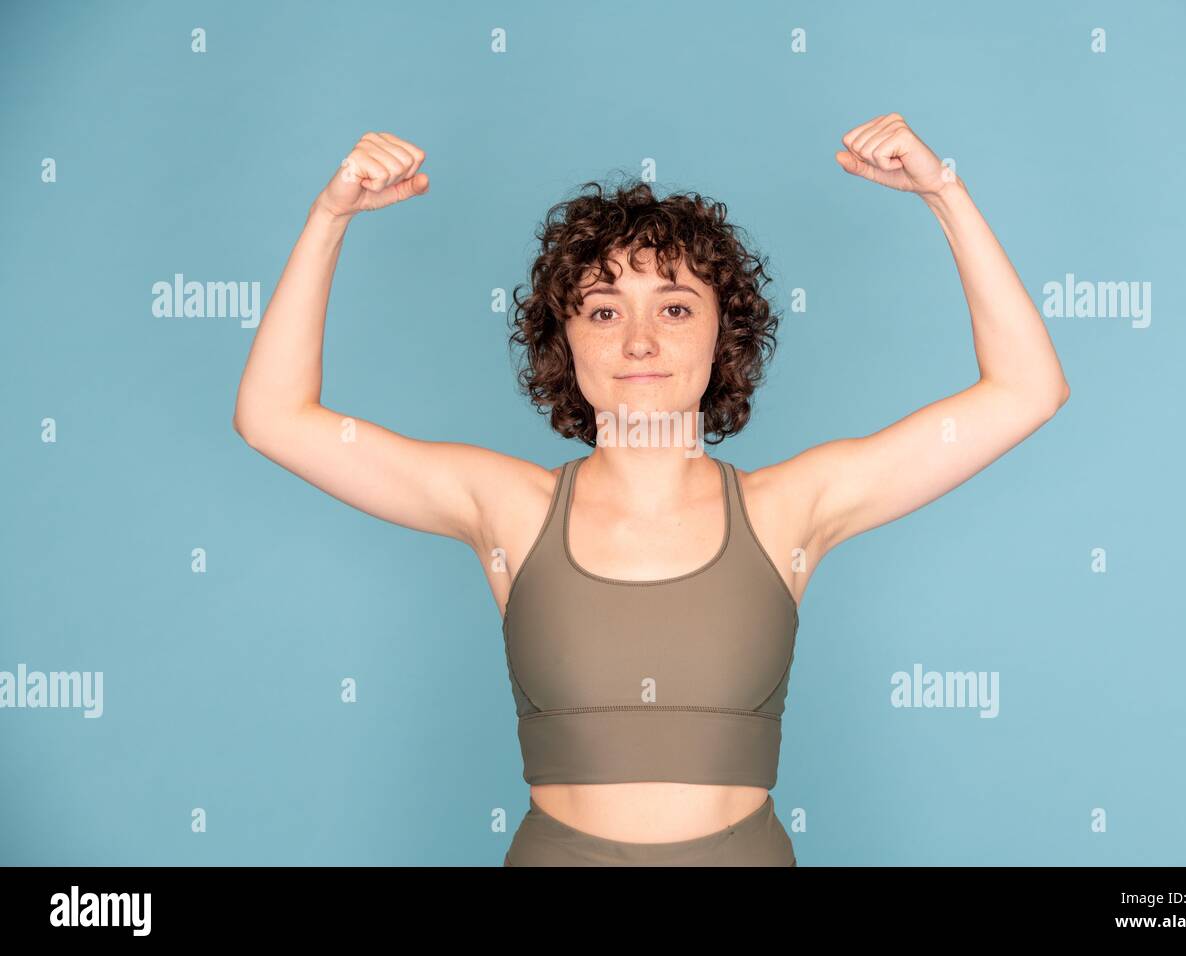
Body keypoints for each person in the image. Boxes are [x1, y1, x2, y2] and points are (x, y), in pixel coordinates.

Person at [232, 117, 1070, 866]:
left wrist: (943, 194)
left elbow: (1027, 388)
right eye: (601, 311)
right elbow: (274, 417)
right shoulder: (508, 509)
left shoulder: (789, 509)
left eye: (674, 307)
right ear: (565, 342)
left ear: (721, 334)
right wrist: (329, 217)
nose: (638, 339)